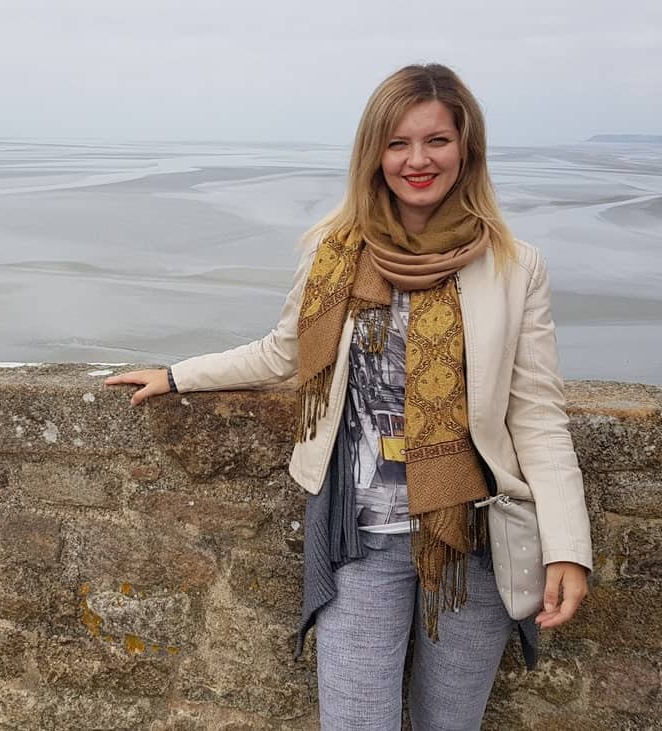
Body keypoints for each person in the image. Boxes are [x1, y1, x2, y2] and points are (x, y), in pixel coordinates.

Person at [105, 63, 591, 730]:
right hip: (361, 537)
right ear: (374, 154)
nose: (417, 160)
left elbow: (536, 416)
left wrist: (567, 546)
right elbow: (284, 351)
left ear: (466, 147)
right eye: (398, 143)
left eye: (436, 140)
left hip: (472, 541)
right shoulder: (336, 253)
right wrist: (178, 375)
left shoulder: (512, 264)